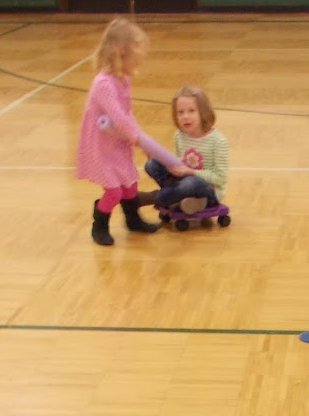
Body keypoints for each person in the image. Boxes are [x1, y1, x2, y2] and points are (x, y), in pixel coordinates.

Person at [76, 18, 189, 246]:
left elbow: (127, 114)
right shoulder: (103, 84)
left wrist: (140, 138)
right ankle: (99, 223)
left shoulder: (123, 80)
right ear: (122, 52)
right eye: (138, 55)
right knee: (114, 191)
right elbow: (118, 117)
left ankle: (132, 219)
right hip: (101, 146)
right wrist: (139, 139)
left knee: (130, 184)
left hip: (118, 142)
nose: (141, 60)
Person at [144, 84, 229, 213]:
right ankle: (180, 199)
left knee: (191, 183)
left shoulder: (218, 141)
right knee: (152, 164)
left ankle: (157, 197)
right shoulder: (179, 136)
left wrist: (190, 171)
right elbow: (180, 162)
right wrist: (164, 161)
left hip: (207, 190)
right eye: (180, 112)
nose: (185, 117)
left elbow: (220, 178)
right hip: (183, 181)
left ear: (203, 112)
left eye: (191, 111)